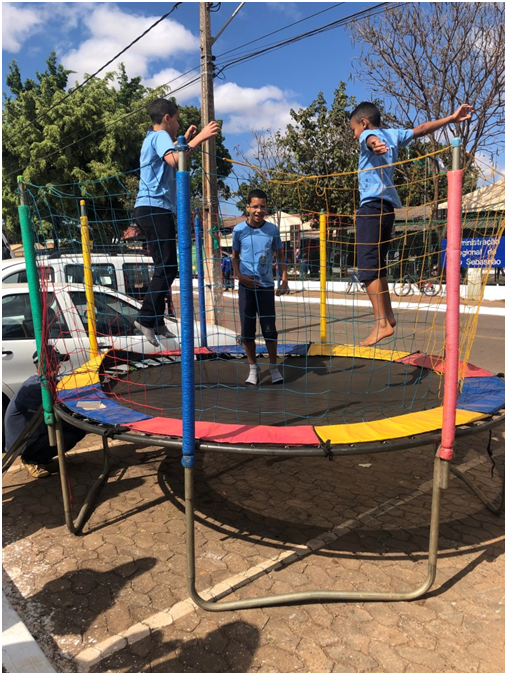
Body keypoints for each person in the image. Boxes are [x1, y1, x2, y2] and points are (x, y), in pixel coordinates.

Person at [349, 102, 473, 346]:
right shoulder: (394, 134)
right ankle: (388, 316)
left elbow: (369, 138)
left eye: (353, 129)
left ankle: (381, 324)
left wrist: (374, 143)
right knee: (378, 266)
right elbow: (423, 128)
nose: (355, 135)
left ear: (363, 122)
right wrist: (450, 118)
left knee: (367, 267)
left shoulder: (367, 135)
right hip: (387, 210)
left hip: (371, 208)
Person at [133, 98, 220, 346]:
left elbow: (172, 155)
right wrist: (200, 137)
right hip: (155, 207)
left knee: (165, 266)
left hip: (150, 208)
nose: (179, 125)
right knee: (168, 266)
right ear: (167, 118)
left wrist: (185, 140)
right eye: (177, 120)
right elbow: (174, 160)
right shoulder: (160, 136)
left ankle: (157, 319)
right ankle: (146, 318)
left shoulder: (153, 139)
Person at [232, 189, 289, 386]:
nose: (259, 210)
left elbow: (280, 255)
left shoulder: (272, 230)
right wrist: (240, 276)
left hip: (265, 287)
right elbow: (234, 257)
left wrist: (284, 279)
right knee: (247, 331)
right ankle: (253, 369)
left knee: (269, 329)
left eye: (262, 206)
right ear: (248, 207)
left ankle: (273, 368)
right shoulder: (239, 230)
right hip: (246, 286)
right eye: (255, 206)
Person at [4, 347, 86, 479]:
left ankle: (40, 456)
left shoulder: (49, 382)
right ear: (43, 365)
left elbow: (67, 402)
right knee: (71, 435)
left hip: (37, 431)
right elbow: (58, 414)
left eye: (58, 362)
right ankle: (31, 459)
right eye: (55, 362)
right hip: (23, 441)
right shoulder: (34, 388)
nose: (59, 366)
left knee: (78, 429)